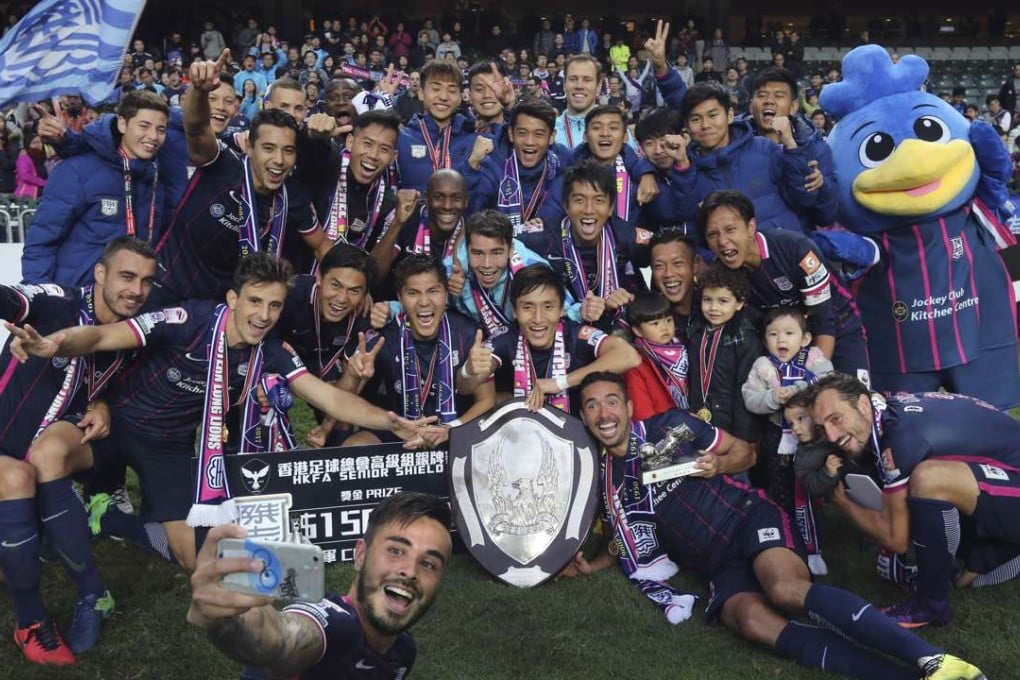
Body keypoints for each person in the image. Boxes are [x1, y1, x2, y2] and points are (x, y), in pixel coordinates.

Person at [7, 253, 438, 573]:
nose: (263, 316)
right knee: (51, 455)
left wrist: (390, 421)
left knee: (193, 560)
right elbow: (102, 337)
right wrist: (56, 343)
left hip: (168, 448)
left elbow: (328, 397)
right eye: (254, 302)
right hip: (114, 425)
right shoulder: (189, 319)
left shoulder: (268, 351)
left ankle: (113, 518)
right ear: (233, 298)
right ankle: (75, 579)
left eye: (274, 306)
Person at [565, 371, 987, 680]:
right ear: (584, 416)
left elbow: (746, 455)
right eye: (592, 405)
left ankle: (931, 659)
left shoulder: (670, 425)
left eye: (612, 401)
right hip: (716, 564)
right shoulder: (606, 482)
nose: (604, 413)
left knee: (783, 590)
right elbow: (626, 541)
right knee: (751, 620)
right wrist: (592, 565)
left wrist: (718, 465)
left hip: (749, 518)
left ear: (629, 406)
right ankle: (908, 677)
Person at [0, 237, 156, 664]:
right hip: (6, 452)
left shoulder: (138, 333)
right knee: (17, 476)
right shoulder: (58, 303)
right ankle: (31, 612)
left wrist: (103, 401)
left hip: (69, 452)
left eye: (146, 281)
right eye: (126, 276)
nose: (136, 290)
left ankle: (90, 594)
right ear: (100, 274)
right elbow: (12, 301)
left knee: (37, 463)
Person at [808, 372, 1020, 627]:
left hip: (1012, 476)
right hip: (1005, 473)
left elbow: (895, 539)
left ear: (863, 404)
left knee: (928, 479)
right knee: (962, 574)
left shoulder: (900, 439)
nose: (831, 436)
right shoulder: (888, 411)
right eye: (822, 428)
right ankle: (994, 550)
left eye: (836, 419)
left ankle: (931, 606)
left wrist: (843, 501)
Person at [188, 492, 452, 678]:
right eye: (396, 551)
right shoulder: (337, 624)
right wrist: (228, 618)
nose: (410, 571)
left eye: (429, 564)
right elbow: (279, 639)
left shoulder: (403, 652)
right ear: (360, 555)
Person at [149, 52, 324, 305]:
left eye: (288, 151)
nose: (278, 160)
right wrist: (199, 90)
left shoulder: (291, 196)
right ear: (249, 147)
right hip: (169, 289)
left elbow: (323, 246)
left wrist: (352, 285)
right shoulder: (222, 162)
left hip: (223, 308)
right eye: (268, 148)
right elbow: (197, 128)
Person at [698, 190, 870, 385]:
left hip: (837, 327)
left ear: (750, 226)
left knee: (851, 399)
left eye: (730, 230)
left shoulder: (797, 249)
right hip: (785, 339)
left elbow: (823, 321)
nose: (722, 241)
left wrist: (814, 382)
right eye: (712, 234)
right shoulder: (721, 275)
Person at [340, 255, 494, 446]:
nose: (424, 302)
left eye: (433, 291)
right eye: (413, 293)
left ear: (446, 293)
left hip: (455, 431)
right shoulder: (383, 339)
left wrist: (452, 429)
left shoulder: (469, 333)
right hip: (400, 432)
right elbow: (342, 402)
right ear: (400, 297)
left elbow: (487, 400)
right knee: (355, 446)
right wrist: (354, 377)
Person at [21, 91, 169, 287]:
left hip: (130, 299)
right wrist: (39, 297)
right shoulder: (77, 170)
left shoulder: (156, 179)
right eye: (144, 126)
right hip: (76, 300)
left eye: (161, 129)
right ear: (122, 124)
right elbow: (42, 241)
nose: (153, 136)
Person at [463, 264, 639, 414]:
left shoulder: (576, 335)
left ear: (562, 309)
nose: (538, 318)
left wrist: (560, 383)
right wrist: (468, 371)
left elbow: (628, 356)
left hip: (575, 443)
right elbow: (465, 387)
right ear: (515, 311)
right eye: (527, 307)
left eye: (548, 306)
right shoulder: (506, 338)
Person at [743, 307, 834, 575]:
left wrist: (796, 391)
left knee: (805, 492)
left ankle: (813, 548)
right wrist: (771, 399)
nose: (781, 340)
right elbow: (750, 397)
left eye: (789, 333)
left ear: (805, 339)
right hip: (777, 440)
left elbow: (827, 381)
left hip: (809, 441)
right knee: (778, 491)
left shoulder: (813, 357)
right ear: (764, 340)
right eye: (773, 334)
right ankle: (785, 545)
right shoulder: (763, 366)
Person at [521, 160, 649, 329]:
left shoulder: (625, 235)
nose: (589, 210)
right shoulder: (542, 236)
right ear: (566, 205)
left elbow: (668, 249)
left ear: (611, 208)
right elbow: (499, 238)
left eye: (598, 201)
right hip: (561, 329)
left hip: (613, 327)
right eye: (579, 200)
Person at [276, 242, 378, 447]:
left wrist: (325, 427)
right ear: (320, 277)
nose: (341, 298)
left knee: (342, 410)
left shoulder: (365, 317)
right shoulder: (289, 295)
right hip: (279, 358)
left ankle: (334, 459)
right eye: (336, 285)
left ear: (366, 293)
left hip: (323, 363)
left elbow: (351, 384)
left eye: (354, 290)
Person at [443, 210, 574, 336]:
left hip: (521, 345)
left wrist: (584, 311)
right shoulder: (453, 270)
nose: (487, 264)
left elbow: (565, 307)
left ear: (511, 249)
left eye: (496, 253)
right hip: (474, 342)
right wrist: (446, 292)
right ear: (467, 249)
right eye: (478, 253)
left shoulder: (531, 268)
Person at [686, 265, 762, 444]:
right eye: (707, 300)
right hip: (698, 419)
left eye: (723, 301)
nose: (713, 308)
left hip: (732, 428)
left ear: (739, 303)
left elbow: (745, 392)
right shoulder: (696, 332)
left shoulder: (746, 340)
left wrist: (743, 440)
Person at [396, 60, 480, 193]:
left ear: (460, 97)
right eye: (435, 89)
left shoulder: (474, 140)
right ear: (421, 93)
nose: (444, 97)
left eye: (452, 90)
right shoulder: (401, 139)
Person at [623, 291, 689, 420]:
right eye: (655, 323)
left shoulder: (681, 346)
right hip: (663, 427)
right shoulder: (635, 362)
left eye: (668, 320)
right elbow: (642, 411)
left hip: (688, 419)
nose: (665, 327)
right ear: (637, 330)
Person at [13, 134, 47, 200]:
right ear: (28, 144)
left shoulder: (44, 158)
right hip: (28, 195)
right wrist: (43, 182)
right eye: (34, 142)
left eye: (40, 142)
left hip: (43, 194)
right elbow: (25, 176)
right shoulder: (24, 158)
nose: (38, 144)